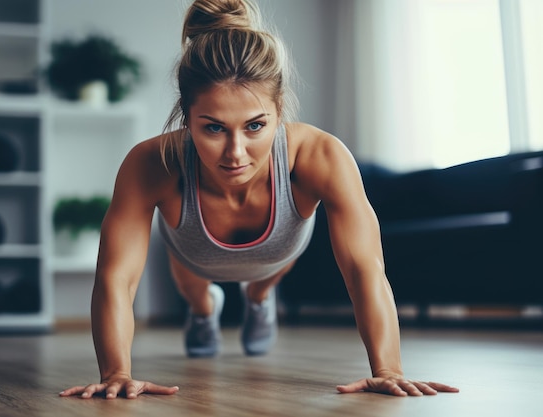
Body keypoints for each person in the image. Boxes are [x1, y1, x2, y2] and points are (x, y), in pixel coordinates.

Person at [60, 0, 459, 400]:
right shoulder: (151, 162)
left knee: (263, 279)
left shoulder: (322, 155)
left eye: (255, 126)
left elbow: (364, 270)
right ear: (187, 115)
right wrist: (116, 372)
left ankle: (259, 297)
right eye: (214, 128)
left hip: (279, 250)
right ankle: (204, 312)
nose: (235, 152)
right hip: (193, 256)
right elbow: (117, 277)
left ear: (278, 109)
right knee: (197, 291)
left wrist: (387, 368)